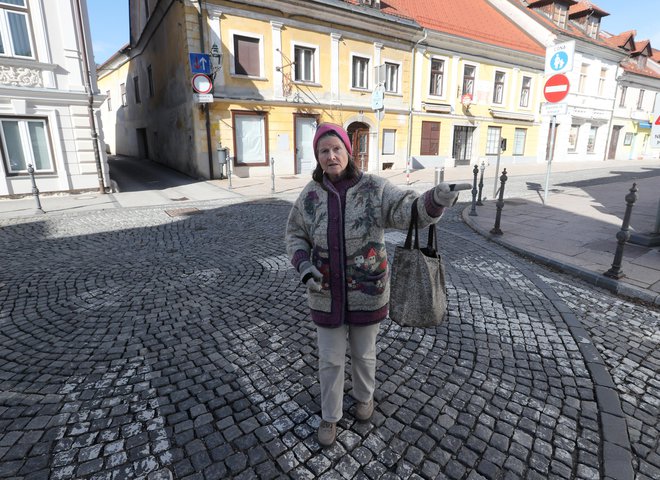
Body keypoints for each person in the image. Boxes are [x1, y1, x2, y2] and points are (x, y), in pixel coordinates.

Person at [285, 123, 469, 447]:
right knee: (329, 360)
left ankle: (364, 398)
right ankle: (330, 416)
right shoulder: (310, 196)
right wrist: (304, 265)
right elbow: (295, 232)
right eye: (323, 151)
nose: (331, 156)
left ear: (348, 151)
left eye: (336, 149)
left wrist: (436, 200)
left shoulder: (374, 188)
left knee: (364, 354)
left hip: (366, 293)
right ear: (317, 157)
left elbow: (406, 209)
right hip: (324, 294)